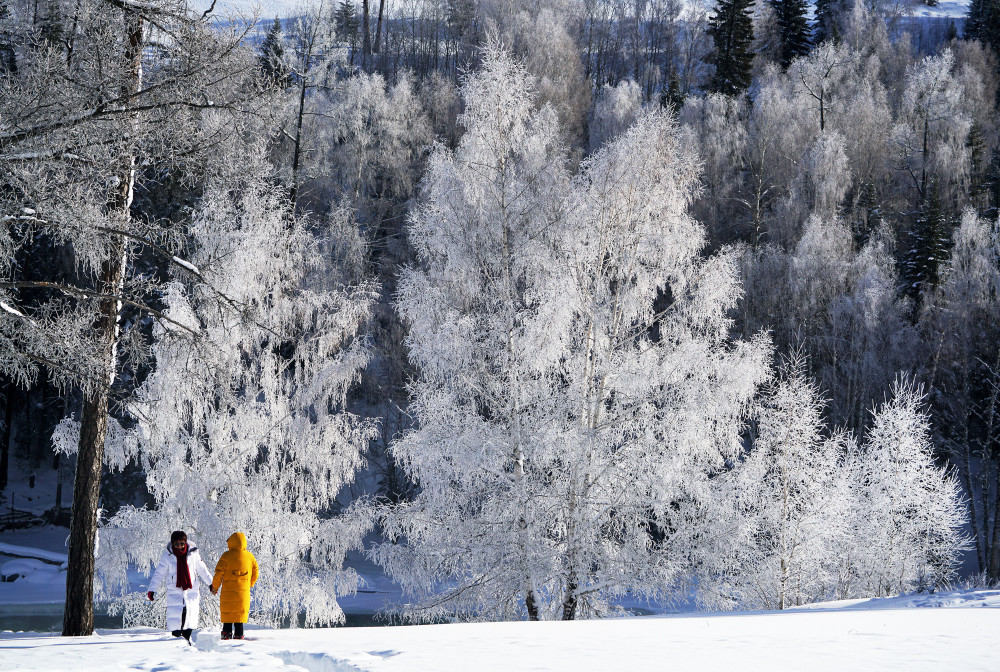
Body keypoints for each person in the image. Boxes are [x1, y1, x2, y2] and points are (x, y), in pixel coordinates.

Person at [147, 530, 213, 642]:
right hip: (175, 590)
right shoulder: (168, 556)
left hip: (191, 590)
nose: (179, 546)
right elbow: (159, 573)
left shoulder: (193, 554)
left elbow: (202, 569)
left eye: (182, 543)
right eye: (176, 544)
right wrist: (152, 589)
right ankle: (177, 643)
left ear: (185, 542)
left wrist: (211, 583)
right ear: (172, 543)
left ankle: (187, 641)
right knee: (176, 619)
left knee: (190, 616)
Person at [210, 531, 259, 640]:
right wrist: (249, 584)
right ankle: (239, 637)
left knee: (228, 617)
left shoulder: (226, 556)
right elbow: (256, 571)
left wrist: (214, 587)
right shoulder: (250, 557)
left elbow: (219, 573)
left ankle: (226, 635)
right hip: (243, 594)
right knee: (239, 618)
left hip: (228, 595)